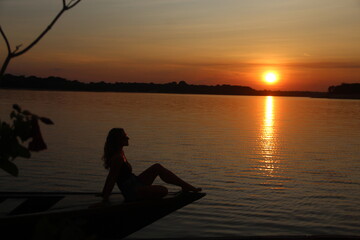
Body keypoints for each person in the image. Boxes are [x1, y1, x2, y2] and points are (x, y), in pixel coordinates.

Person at [101, 128, 201, 202]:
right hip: (132, 191)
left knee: (157, 167)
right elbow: (112, 178)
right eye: (124, 136)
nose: (128, 138)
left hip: (135, 182)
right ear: (118, 140)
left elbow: (110, 176)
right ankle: (143, 194)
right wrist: (105, 199)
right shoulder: (117, 158)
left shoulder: (120, 152)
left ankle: (186, 186)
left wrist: (103, 192)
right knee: (163, 190)